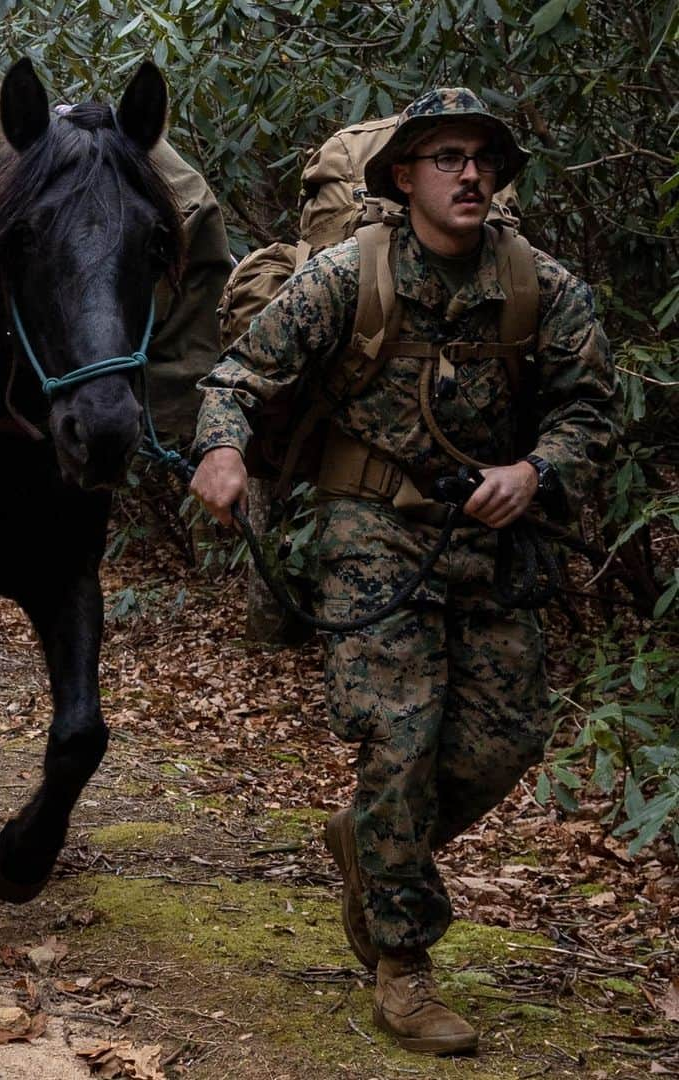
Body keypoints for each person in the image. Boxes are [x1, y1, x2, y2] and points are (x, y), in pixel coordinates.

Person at [190, 89, 621, 1056]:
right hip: (370, 529)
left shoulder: (542, 287)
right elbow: (234, 381)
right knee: (400, 735)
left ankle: (372, 839)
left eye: (482, 159)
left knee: (507, 737)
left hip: (493, 539)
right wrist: (221, 453)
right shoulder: (348, 277)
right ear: (402, 178)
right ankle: (402, 965)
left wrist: (535, 471)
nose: (469, 174)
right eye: (446, 158)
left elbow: (590, 413)